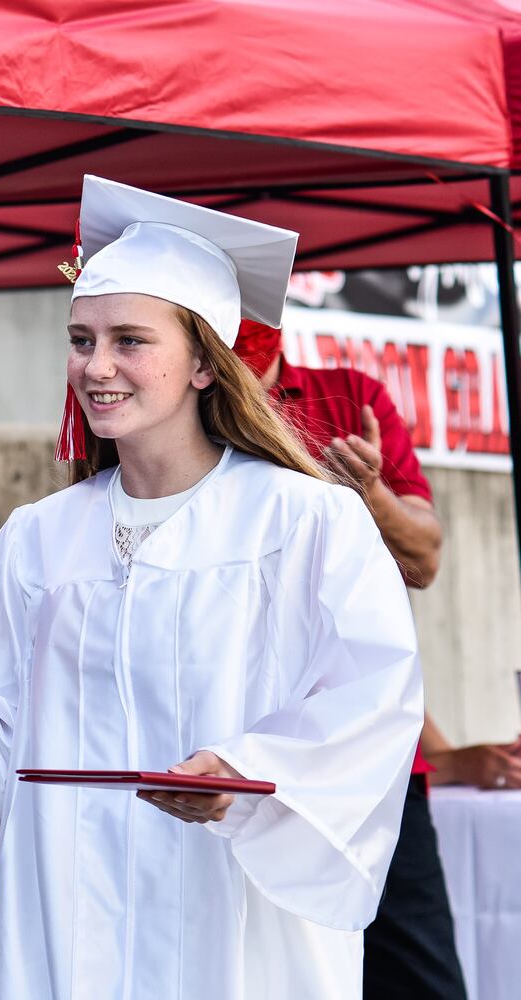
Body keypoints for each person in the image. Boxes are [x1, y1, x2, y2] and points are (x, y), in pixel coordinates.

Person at [0, 176, 423, 998]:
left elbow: (372, 702)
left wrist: (243, 772)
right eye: (81, 338)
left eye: (130, 340)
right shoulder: (38, 539)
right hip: (70, 912)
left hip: (232, 914)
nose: (95, 366)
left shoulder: (304, 523)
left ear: (206, 361)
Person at [233, 319, 516, 999]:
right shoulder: (180, 420)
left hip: (366, 762)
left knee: (418, 976)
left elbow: (421, 560)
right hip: (233, 751)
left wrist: (371, 494)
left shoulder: (347, 398)